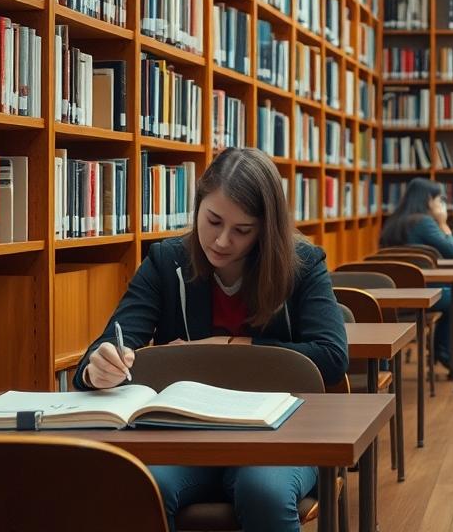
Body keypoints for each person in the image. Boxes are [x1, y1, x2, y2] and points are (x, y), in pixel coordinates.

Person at [73, 147, 349, 532]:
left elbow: (332, 357)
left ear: (265, 229)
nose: (221, 241)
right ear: (198, 205)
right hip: (185, 435)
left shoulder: (301, 265)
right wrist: (97, 368)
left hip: (279, 434)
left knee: (263, 492)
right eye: (213, 221)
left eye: (242, 230)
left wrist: (224, 347)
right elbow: (106, 349)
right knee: (139, 485)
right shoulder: (165, 262)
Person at [379, 177, 453, 380]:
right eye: (439, 199)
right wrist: (443, 223)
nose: (440, 204)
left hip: (391, 295)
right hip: (419, 294)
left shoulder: (393, 222)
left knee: (452, 293)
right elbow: (452, 251)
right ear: (428, 199)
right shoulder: (424, 222)